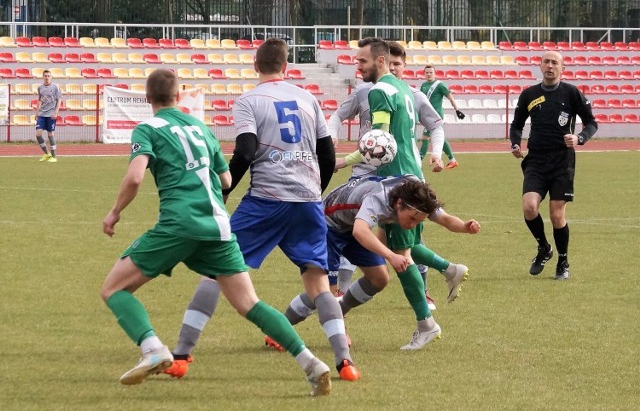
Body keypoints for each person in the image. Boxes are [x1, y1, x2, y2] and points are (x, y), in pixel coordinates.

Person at [99, 68, 331, 396]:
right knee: (249, 303)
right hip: (219, 226)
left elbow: (135, 177)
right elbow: (225, 181)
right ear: (179, 97)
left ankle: (153, 349)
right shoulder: (200, 128)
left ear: (147, 98)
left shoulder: (147, 128)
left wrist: (115, 212)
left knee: (114, 289)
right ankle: (310, 362)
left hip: (179, 224)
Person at [162, 38, 360, 382]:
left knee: (215, 270)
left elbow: (245, 152)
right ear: (287, 67)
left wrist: (222, 194)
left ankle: (181, 355)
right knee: (318, 285)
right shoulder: (307, 98)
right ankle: (345, 362)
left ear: (256, 66)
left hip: (265, 202)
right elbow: (327, 153)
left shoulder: (249, 101)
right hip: (307, 203)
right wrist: (316, 190)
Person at [334, 37, 468, 350]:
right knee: (397, 244)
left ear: (379, 61)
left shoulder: (381, 90)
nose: (358, 67)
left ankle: (426, 323)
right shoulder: (406, 89)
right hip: (410, 173)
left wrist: (344, 161)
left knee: (402, 256)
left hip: (395, 178)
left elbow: (377, 141)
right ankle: (450, 270)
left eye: (363, 61)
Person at [275, 175, 480, 350]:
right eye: (412, 219)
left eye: (418, 222)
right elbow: (360, 231)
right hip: (326, 226)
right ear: (399, 204)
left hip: (349, 226)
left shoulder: (415, 198)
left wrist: (464, 226)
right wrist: (391, 256)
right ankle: (280, 329)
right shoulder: (378, 200)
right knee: (325, 291)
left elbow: (444, 219)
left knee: (379, 278)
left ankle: (340, 311)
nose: (412, 226)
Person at [328, 41, 447, 305]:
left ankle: (427, 306)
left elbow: (386, 140)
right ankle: (341, 292)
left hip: (395, 175)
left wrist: (435, 153)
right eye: (391, 63)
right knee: (377, 235)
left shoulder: (400, 92)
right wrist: (333, 138)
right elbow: (339, 116)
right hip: (370, 174)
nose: (394, 68)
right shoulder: (369, 91)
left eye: (397, 64)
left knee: (400, 240)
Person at [510, 51, 598, 280]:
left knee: (557, 215)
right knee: (529, 207)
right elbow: (517, 124)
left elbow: (591, 123)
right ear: (540, 66)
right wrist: (515, 144)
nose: (550, 66)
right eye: (546, 62)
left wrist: (579, 138)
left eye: (555, 63)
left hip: (562, 161)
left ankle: (563, 260)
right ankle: (544, 248)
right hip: (536, 160)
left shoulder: (571, 93)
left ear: (562, 68)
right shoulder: (529, 94)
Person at [419, 65, 465, 169]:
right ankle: (452, 160)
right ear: (424, 74)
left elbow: (450, 98)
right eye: (427, 72)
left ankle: (418, 160)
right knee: (440, 138)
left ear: (434, 73)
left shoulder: (440, 85)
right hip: (428, 116)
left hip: (436, 117)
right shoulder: (423, 85)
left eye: (431, 72)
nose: (429, 74)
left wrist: (457, 110)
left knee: (425, 138)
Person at [35, 69, 62, 163]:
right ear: (43, 77)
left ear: (51, 77)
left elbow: (59, 100)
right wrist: (37, 112)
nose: (47, 77)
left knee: (50, 135)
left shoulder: (55, 87)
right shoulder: (40, 88)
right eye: (45, 76)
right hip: (42, 114)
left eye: (48, 76)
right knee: (38, 134)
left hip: (51, 115)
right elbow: (39, 100)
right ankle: (47, 154)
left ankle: (54, 156)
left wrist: (56, 112)